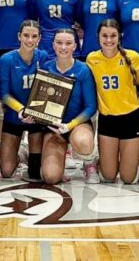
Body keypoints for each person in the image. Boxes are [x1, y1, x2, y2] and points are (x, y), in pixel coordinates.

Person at [86, 19, 139, 184]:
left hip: (131, 118)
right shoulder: (92, 59)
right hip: (107, 119)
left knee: (128, 178)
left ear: (120, 37)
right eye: (104, 36)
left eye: (113, 36)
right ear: (98, 37)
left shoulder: (132, 57)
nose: (109, 40)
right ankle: (93, 162)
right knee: (109, 176)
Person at [40, 29, 98, 185]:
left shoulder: (83, 70)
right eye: (59, 43)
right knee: (51, 177)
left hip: (76, 124)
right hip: (52, 127)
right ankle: (55, 159)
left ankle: (90, 162)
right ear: (53, 45)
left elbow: (91, 106)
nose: (63, 47)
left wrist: (69, 125)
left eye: (68, 43)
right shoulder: (46, 67)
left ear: (75, 46)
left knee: (84, 143)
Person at [0, 20, 49, 180]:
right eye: (26, 35)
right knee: (6, 172)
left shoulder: (43, 57)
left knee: (35, 173)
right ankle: (19, 154)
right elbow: (4, 94)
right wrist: (21, 109)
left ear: (39, 39)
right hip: (14, 115)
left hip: (36, 117)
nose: (30, 40)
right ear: (19, 36)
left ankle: (30, 154)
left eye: (34, 36)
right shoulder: (7, 59)